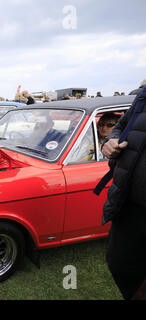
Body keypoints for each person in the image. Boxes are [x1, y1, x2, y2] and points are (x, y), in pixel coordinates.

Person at [100, 86, 146, 300]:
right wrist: (109, 143)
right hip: (127, 201)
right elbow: (121, 126)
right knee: (118, 264)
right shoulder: (144, 94)